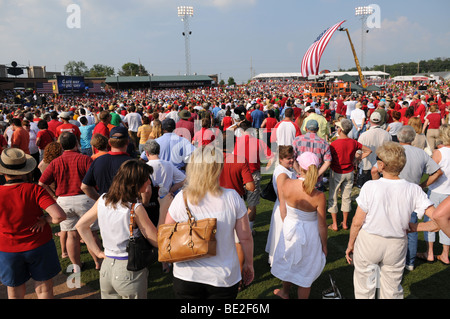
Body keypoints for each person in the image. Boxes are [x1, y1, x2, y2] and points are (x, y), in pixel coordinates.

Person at [345, 142, 438, 299]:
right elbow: (438, 220)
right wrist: (416, 227)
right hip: (396, 244)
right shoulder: (413, 189)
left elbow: (357, 221)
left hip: (370, 242)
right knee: (391, 290)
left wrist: (351, 244)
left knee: (364, 289)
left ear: (381, 165)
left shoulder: (370, 186)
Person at [163, 146, 254, 299]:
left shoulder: (181, 198)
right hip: (223, 276)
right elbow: (245, 237)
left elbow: (168, 232)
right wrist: (249, 264)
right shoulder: (232, 197)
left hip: (187, 275)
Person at [76, 159, 172, 299]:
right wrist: (163, 209)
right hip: (129, 270)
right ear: (134, 183)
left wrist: (97, 252)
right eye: (146, 179)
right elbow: (157, 241)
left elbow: (81, 225)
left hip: (107, 268)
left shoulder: (103, 199)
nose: (149, 182)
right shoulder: (135, 208)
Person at [0, 148, 66, 299]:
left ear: (4, 172)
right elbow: (59, 216)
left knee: (14, 291)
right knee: (44, 289)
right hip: (39, 244)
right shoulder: (34, 190)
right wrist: (46, 220)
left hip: (8, 249)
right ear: (25, 170)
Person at [38, 131, 101, 271]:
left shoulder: (55, 162)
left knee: (71, 235)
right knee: (90, 233)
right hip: (84, 199)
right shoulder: (84, 159)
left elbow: (41, 183)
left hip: (64, 201)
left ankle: (76, 266)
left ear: (61, 145)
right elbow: (95, 178)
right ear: (76, 143)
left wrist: (53, 196)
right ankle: (98, 262)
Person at [271, 152, 327, 299]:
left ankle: (285, 292)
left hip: (290, 227)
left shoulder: (287, 184)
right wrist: (324, 245)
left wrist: (287, 224)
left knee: (288, 260)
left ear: (300, 167)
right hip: (310, 233)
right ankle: (287, 293)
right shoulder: (319, 196)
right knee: (306, 269)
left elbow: (283, 209)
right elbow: (322, 225)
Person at [328, 119, 371, 231]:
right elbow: (368, 151)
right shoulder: (353, 142)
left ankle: (334, 224)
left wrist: (357, 159)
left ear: (340, 129)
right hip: (349, 172)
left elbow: (329, 158)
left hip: (337, 172)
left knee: (333, 197)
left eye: (338, 127)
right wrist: (357, 159)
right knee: (346, 197)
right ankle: (345, 223)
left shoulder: (334, 143)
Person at [234, 120, 274, 235]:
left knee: (238, 202)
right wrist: (266, 169)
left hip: (239, 174)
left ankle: (239, 228)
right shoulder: (258, 142)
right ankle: (249, 229)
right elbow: (272, 157)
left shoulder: (237, 141)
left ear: (241, 131)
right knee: (252, 203)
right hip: (253, 174)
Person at [419, 124, 450, 265]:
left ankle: (429, 252)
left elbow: (431, 171)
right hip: (448, 193)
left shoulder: (439, 152)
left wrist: (424, 184)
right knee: (446, 223)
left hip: (437, 191)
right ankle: (445, 254)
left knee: (431, 221)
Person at [81, 127, 134, 201]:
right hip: (127, 206)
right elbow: (146, 190)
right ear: (127, 142)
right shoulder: (133, 163)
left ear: (109, 142)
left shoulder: (98, 161)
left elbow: (85, 187)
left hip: (107, 206)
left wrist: (100, 200)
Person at [265, 145, 297, 266]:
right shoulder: (281, 173)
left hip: (285, 207)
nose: (291, 160)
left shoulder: (286, 169)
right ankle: (278, 262)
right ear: (281, 159)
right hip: (283, 208)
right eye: (288, 158)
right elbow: (281, 197)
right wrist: (285, 217)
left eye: (292, 157)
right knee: (281, 236)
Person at [357, 112, 392, 188]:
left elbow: (358, 152)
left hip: (367, 167)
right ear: (380, 121)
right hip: (381, 167)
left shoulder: (364, 135)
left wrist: (356, 161)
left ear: (370, 120)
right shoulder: (387, 135)